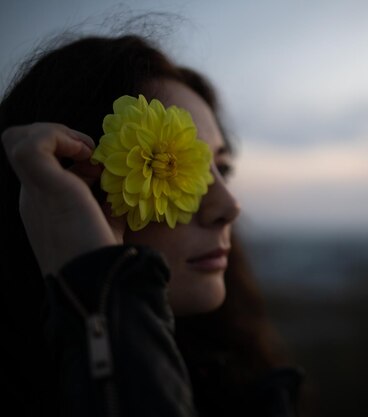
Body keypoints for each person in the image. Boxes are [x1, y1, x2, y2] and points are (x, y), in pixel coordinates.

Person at [0, 28, 305, 417]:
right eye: (171, 170)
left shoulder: (244, 384)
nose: (228, 207)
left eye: (222, 169)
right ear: (77, 186)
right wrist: (99, 290)